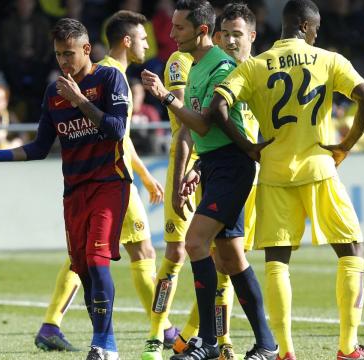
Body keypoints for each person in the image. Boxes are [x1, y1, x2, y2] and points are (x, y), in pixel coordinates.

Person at [209, 1, 364, 359]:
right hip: (319, 169)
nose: (316, 34)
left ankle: (286, 352)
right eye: (315, 29)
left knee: (277, 261)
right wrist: (345, 146)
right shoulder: (329, 60)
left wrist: (247, 145)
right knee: (351, 250)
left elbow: (217, 108)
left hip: (274, 171)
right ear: (307, 27)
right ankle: (348, 348)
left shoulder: (255, 66)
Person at [141, 1, 277, 359]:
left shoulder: (221, 66)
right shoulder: (198, 66)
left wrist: (165, 96)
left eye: (179, 29)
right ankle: (266, 343)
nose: (170, 35)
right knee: (232, 258)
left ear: (202, 31)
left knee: (194, 242)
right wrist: (196, 169)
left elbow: (203, 123)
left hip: (233, 168)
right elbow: (203, 131)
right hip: (216, 165)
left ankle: (208, 342)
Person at [0, 18, 130, 360]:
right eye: (58, 55)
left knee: (97, 262)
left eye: (69, 54)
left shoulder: (109, 78)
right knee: (82, 268)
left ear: (86, 49)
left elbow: (115, 129)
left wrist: (81, 101)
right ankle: (104, 342)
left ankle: (103, 344)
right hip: (75, 192)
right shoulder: (54, 93)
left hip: (109, 183)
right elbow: (38, 147)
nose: (63, 62)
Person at [33, 10, 173, 354]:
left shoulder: (111, 72)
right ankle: (163, 328)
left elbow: (119, 137)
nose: (146, 44)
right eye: (142, 38)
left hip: (111, 175)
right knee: (137, 251)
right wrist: (138, 176)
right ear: (127, 41)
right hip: (111, 179)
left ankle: (52, 323)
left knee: (87, 254)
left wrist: (145, 175)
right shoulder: (112, 75)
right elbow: (116, 134)